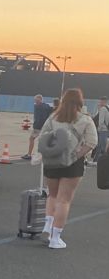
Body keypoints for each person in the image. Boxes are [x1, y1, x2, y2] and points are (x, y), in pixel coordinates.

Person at [40, 88, 97, 250]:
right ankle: (55, 238)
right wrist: (76, 156)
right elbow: (92, 142)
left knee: (52, 195)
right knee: (64, 200)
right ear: (80, 102)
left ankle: (47, 227)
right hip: (72, 164)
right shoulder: (85, 119)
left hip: (52, 161)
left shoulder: (53, 117)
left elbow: (43, 136)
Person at [22, 94, 53, 160]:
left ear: (40, 100)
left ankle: (29, 154)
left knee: (32, 139)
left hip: (38, 127)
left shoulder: (38, 106)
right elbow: (53, 111)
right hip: (44, 127)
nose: (36, 101)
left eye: (37, 100)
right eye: (35, 100)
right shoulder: (46, 106)